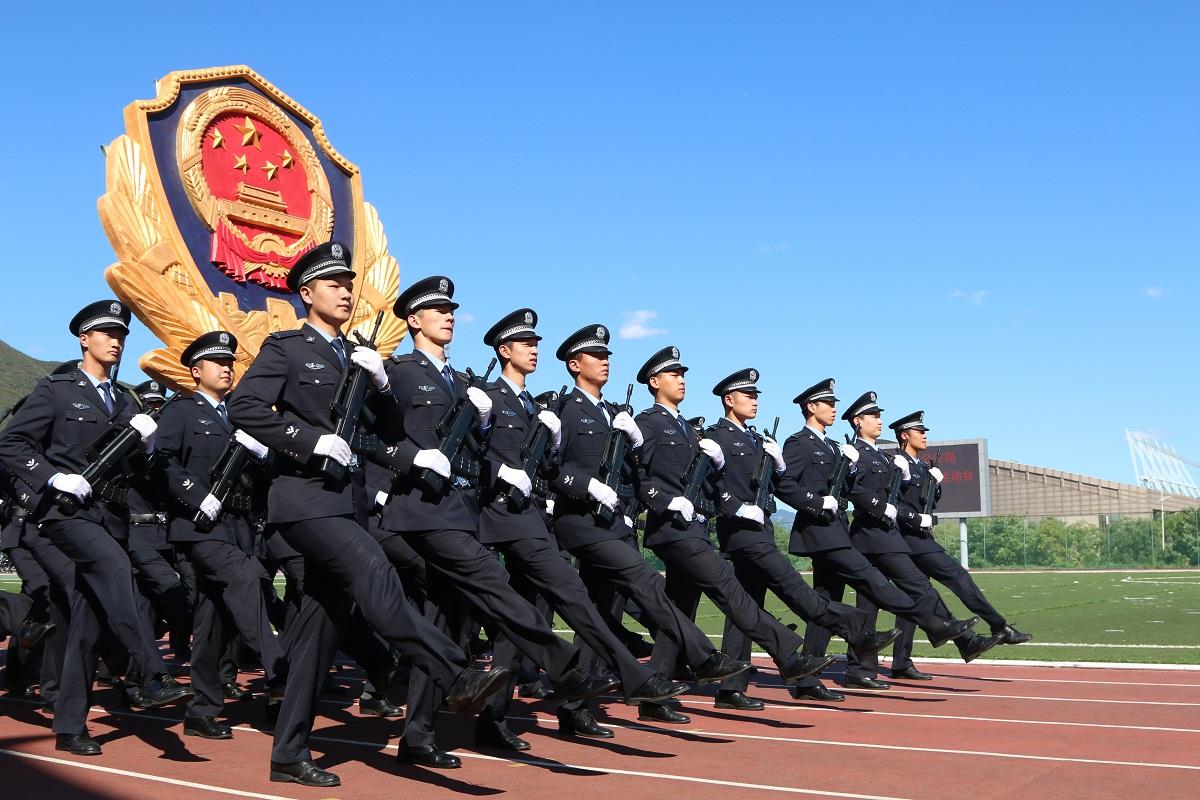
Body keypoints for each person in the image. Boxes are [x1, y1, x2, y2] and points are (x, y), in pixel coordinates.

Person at [227, 244, 512, 788]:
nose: (345, 289)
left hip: (348, 503)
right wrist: (308, 442)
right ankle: (454, 674)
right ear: (306, 294)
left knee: (318, 634)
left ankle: (287, 754)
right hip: (305, 502)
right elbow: (244, 408)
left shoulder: (357, 355)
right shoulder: (287, 348)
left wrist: (380, 386)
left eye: (348, 281)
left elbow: (385, 433)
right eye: (332, 282)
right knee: (376, 572)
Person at [373, 280, 619, 767]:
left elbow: (480, 456)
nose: (448, 316)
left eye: (450, 309)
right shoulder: (397, 373)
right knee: (495, 588)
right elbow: (371, 436)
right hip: (420, 512)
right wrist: (407, 461)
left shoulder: (464, 384)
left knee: (444, 618)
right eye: (436, 310)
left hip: (462, 512)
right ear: (413, 321)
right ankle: (564, 666)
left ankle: (419, 733)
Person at [473, 308, 687, 750]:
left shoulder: (538, 406)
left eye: (536, 342)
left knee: (521, 622)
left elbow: (551, 468)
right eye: (525, 343)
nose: (534, 349)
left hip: (540, 519)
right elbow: (480, 455)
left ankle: (508, 717)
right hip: (509, 519)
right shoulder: (496, 397)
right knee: (563, 600)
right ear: (504, 351)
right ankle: (624, 678)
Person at [0, 300, 193, 756]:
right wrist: (51, 475)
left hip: (110, 515)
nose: (116, 340)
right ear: (84, 339)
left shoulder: (125, 399)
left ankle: (70, 725)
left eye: (122, 334)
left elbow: (135, 471)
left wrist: (145, 446)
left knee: (88, 622)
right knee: (115, 569)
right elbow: (11, 443)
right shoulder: (56, 390)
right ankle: (150, 674)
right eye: (106, 333)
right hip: (65, 513)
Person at [550, 324, 750, 728]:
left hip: (611, 523)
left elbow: (633, 475)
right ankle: (702, 655)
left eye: (608, 356)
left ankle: (577, 708)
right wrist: (586, 486)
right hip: (579, 522)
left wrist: (630, 484)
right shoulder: (566, 409)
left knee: (602, 613)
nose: (605, 361)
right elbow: (551, 470)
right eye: (596, 356)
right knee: (645, 581)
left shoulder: (611, 414)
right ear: (575, 365)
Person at [632, 346, 835, 720]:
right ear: (654, 381)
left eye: (683, 374)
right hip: (671, 529)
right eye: (674, 374)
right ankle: (788, 655)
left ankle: (652, 695)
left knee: (678, 608)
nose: (682, 380)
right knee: (729, 588)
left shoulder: (687, 429)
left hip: (692, 527)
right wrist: (665, 501)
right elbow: (638, 477)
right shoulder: (649, 423)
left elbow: (709, 483)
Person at [704, 368, 901, 709]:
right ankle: (857, 631)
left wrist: (777, 466)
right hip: (739, 533)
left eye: (756, 395)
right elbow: (710, 485)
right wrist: (735, 508)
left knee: (746, 609)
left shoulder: (754, 438)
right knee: (794, 588)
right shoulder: (716, 437)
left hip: (759, 529)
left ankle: (733, 688)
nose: (755, 400)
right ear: (729, 400)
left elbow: (778, 486)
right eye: (749, 395)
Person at [777, 379, 977, 702]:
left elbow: (849, 487)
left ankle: (807, 676)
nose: (833, 408)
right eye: (827, 403)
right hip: (819, 533)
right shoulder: (799, 443)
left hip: (837, 530)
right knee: (871, 581)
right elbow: (784, 485)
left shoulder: (832, 447)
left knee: (824, 604)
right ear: (811, 407)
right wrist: (817, 502)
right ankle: (932, 624)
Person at [157, 330, 288, 738]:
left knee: (213, 621)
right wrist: (196, 497)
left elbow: (258, 479)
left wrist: (265, 455)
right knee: (249, 580)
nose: (227, 368)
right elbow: (162, 461)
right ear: (196, 371)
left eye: (230, 362)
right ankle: (281, 669)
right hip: (200, 527)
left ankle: (202, 710)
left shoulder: (241, 414)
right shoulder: (181, 411)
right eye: (218, 362)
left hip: (239, 526)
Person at [885, 410, 1031, 679]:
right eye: (919, 431)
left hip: (921, 538)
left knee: (916, 599)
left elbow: (926, 502)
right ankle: (999, 626)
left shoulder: (920, 466)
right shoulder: (898, 464)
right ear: (905, 435)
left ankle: (901, 662)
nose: (925, 434)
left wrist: (934, 484)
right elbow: (892, 502)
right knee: (957, 576)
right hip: (909, 539)